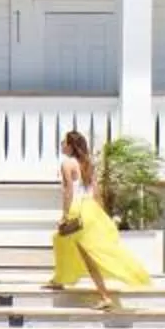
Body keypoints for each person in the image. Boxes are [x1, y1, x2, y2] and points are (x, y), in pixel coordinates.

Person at [53, 131, 154, 309]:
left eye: (63, 142)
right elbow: (96, 191)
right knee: (60, 239)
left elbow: (68, 191)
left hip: (78, 209)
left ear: (70, 146)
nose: (61, 145)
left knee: (88, 255)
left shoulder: (67, 164)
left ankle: (104, 295)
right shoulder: (87, 164)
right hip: (90, 209)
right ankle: (58, 279)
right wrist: (101, 214)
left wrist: (65, 215)